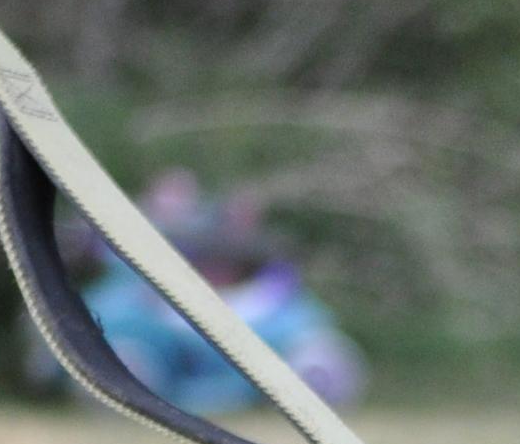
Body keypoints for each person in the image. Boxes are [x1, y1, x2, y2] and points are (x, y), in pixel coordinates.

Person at [71, 170, 367, 418]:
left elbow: (303, 323)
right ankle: (127, 387)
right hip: (163, 336)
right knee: (124, 359)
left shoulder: (268, 291)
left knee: (317, 354)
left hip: (261, 352)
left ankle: (309, 387)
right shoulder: (139, 275)